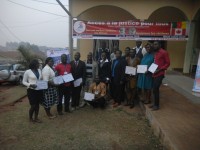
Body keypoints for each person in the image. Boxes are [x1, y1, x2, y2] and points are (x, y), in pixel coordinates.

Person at [150, 41, 170, 110]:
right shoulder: (155, 53)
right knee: (154, 89)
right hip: (154, 73)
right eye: (154, 44)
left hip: (160, 74)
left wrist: (160, 69)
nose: (154, 46)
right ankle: (154, 104)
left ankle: (157, 105)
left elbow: (168, 63)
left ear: (159, 45)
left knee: (156, 89)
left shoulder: (164, 52)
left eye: (156, 44)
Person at [23, 59, 43, 123]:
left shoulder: (39, 70)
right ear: (34, 64)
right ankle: (30, 118)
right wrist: (30, 84)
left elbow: (40, 79)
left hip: (39, 90)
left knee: (37, 105)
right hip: (31, 91)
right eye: (37, 64)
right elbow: (23, 82)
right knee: (33, 105)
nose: (39, 65)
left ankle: (36, 118)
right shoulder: (28, 72)